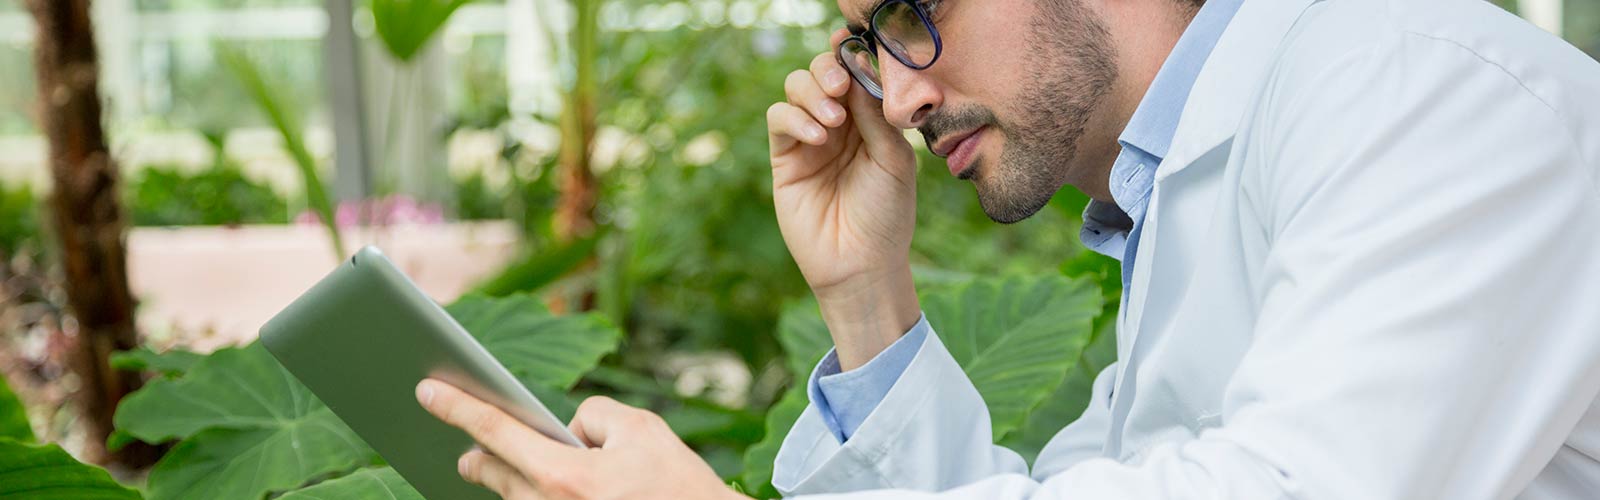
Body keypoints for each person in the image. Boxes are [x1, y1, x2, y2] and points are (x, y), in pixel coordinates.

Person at [414, 0, 1600, 498]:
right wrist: (865, 294)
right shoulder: (1183, 191)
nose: (897, 94)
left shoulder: (1426, 90)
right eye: (868, 44)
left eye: (913, 13)